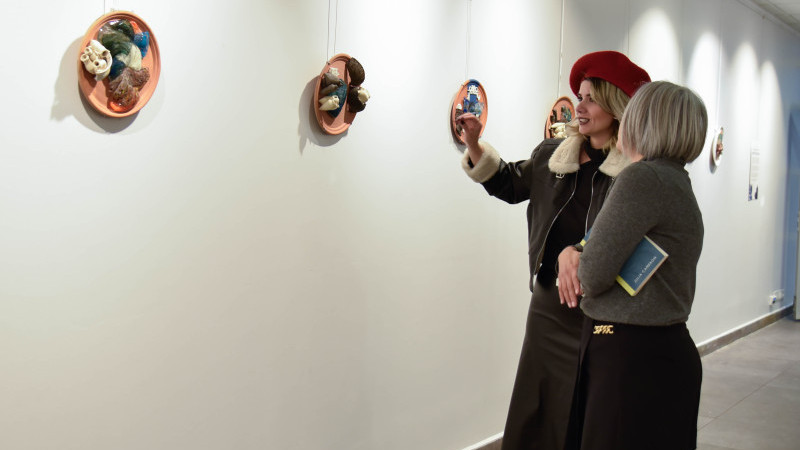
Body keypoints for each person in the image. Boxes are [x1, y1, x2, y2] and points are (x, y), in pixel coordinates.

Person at [457, 51, 650, 450]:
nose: (580, 107)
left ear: (615, 107)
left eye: (591, 99)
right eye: (580, 97)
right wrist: (474, 144)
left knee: (584, 405)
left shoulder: (632, 173)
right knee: (537, 399)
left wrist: (582, 252)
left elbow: (632, 237)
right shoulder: (553, 156)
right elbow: (509, 183)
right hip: (549, 304)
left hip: (598, 310)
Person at [562, 81, 708, 450]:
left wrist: (579, 257)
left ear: (642, 123)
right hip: (661, 352)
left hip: (628, 357)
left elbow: (592, 274)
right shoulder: (676, 182)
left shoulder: (643, 178)